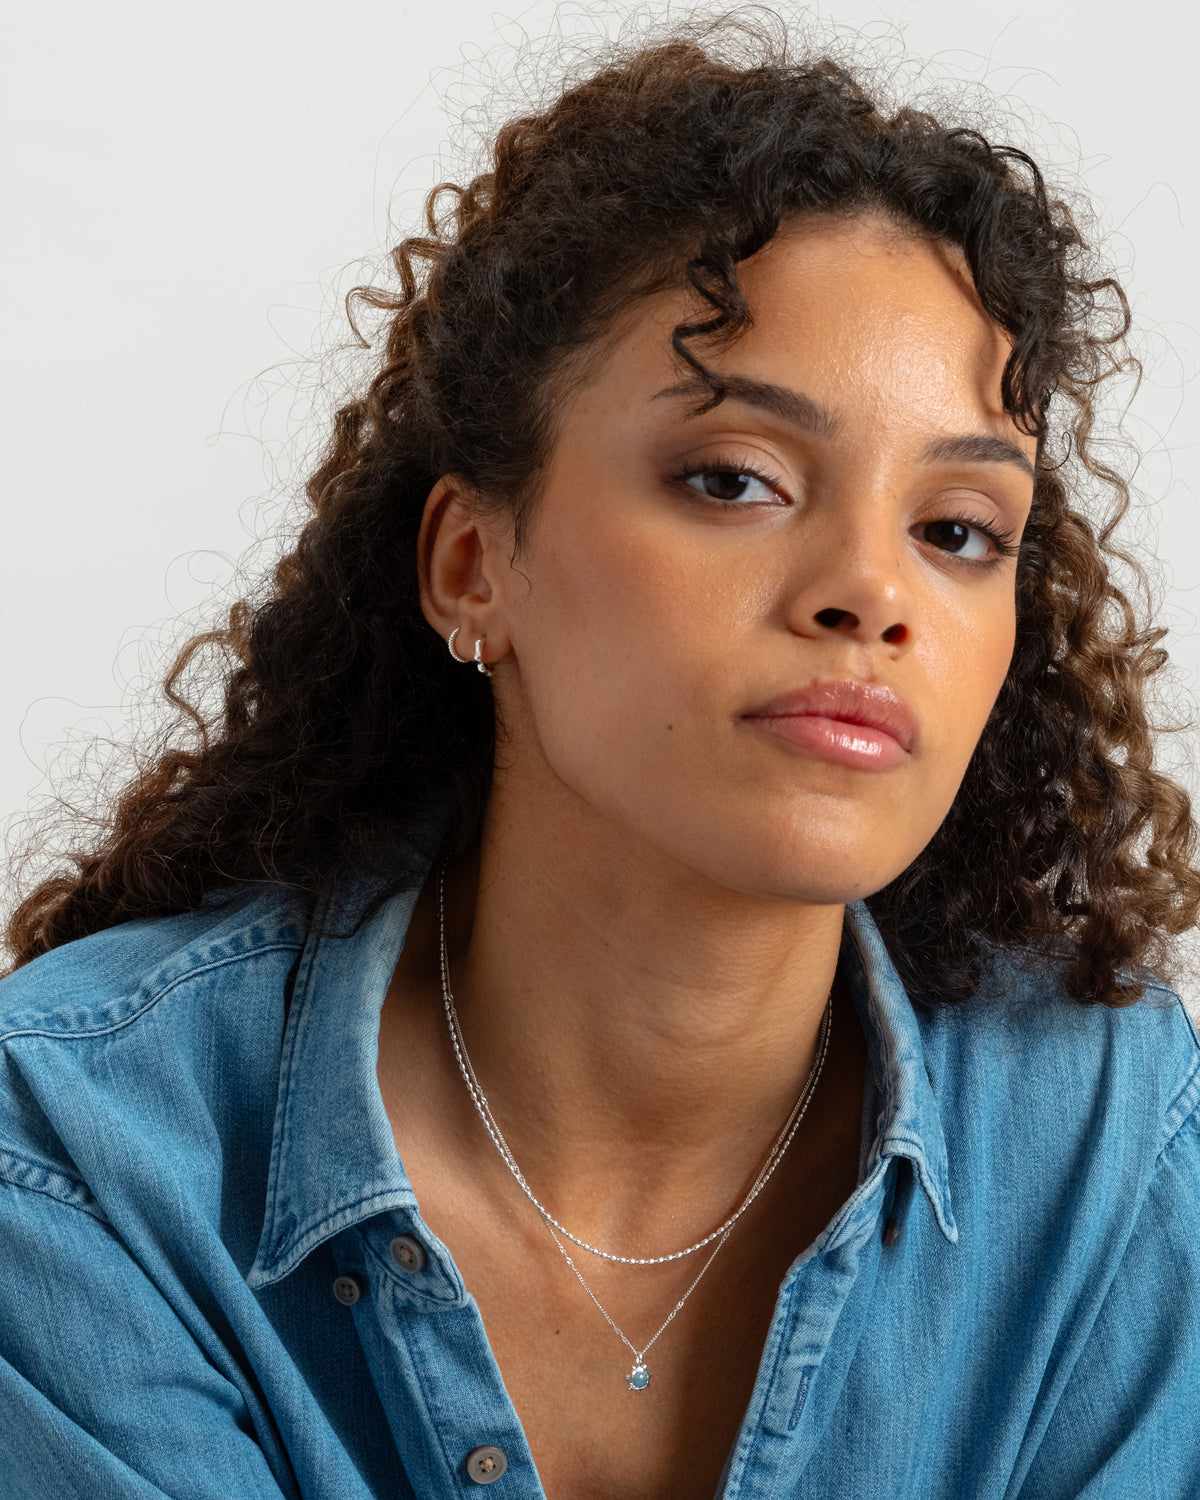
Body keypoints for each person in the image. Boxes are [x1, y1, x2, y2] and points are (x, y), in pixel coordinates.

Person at [1, 15, 1198, 1499]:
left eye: (958, 532)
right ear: (469, 565)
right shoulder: (85, 1157)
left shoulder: (1107, 1128)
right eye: (735, 480)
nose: (871, 593)